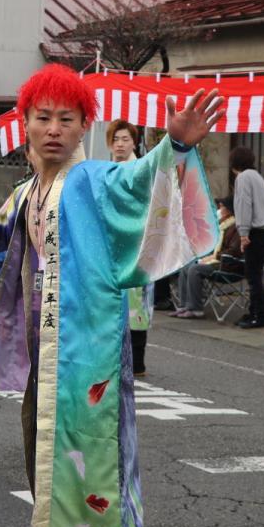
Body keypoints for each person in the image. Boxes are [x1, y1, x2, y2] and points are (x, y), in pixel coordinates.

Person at [0, 64, 222, 527]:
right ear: (25, 123)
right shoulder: (28, 191)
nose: (53, 129)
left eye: (66, 119)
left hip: (90, 356)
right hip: (47, 349)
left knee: (103, 466)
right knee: (46, 454)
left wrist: (173, 148)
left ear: (84, 126)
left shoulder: (90, 178)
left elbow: (136, 181)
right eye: (42, 117)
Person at [106, 120, 154, 376]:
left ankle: (138, 360)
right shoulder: (108, 170)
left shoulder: (139, 169)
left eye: (125, 139)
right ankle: (120, 357)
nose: (120, 144)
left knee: (138, 304)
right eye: (116, 139)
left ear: (134, 142)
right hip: (113, 246)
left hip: (137, 244)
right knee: (114, 301)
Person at [171, 197, 241, 319]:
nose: (220, 209)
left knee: (195, 269)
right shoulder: (222, 225)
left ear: (229, 210)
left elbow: (233, 251)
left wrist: (213, 256)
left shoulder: (236, 227)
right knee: (186, 267)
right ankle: (184, 306)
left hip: (227, 265)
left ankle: (196, 308)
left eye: (222, 207)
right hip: (217, 261)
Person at [230, 146, 264, 329]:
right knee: (255, 275)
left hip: (255, 232)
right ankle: (254, 311)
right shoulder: (257, 177)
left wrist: (243, 233)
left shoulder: (243, 177)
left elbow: (244, 205)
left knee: (253, 276)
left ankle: (261, 316)